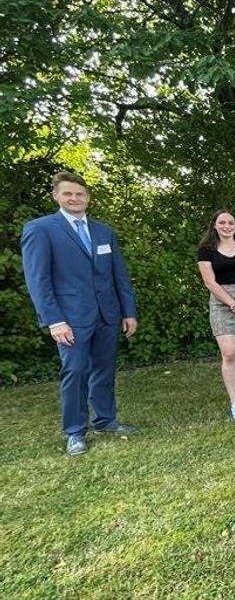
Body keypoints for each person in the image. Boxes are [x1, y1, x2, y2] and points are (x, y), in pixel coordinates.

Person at [21, 171, 138, 456]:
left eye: (80, 194)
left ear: (88, 197)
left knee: (104, 369)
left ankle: (106, 420)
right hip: (69, 319)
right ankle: (75, 432)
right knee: (74, 371)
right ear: (56, 196)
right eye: (68, 194)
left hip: (107, 315)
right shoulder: (41, 229)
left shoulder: (103, 231)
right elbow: (38, 280)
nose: (75, 198)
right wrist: (54, 320)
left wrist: (128, 311)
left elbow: (118, 275)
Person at [197, 210, 235, 421]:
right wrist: (233, 304)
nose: (227, 226)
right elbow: (210, 282)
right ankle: (234, 401)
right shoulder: (206, 251)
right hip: (222, 303)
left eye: (231, 222)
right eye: (222, 222)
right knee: (230, 353)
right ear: (214, 225)